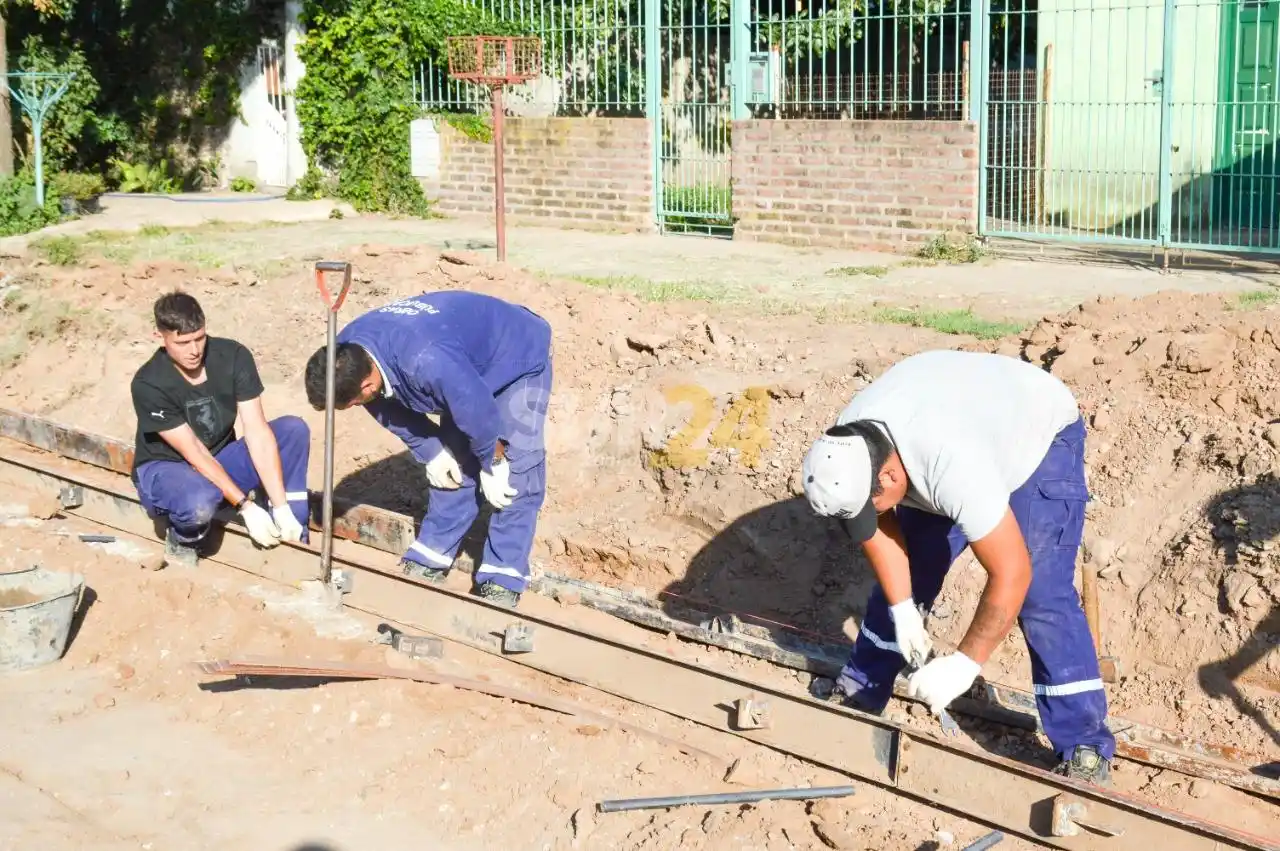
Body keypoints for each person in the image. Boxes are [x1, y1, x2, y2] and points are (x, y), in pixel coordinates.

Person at [800, 349, 1116, 785]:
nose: (867, 520)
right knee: (918, 563)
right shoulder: (849, 446)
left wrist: (966, 662)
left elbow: (1012, 573)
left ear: (891, 477)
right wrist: (904, 611)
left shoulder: (952, 464)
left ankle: (1083, 743)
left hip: (1035, 432)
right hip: (955, 414)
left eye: (867, 508)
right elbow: (878, 533)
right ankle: (862, 687)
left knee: (1041, 592)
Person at [302, 290, 553, 610]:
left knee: (517, 468)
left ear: (366, 385)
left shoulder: (425, 361)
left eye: (352, 403)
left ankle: (502, 576)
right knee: (454, 458)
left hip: (516, 355)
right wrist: (431, 449)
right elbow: (386, 409)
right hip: (462, 363)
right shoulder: (346, 353)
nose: (355, 407)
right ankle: (434, 553)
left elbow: (477, 409)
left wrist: (494, 460)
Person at [129, 291, 311, 568]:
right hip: (168, 470)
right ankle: (183, 540)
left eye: (199, 338)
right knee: (200, 499)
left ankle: (293, 527)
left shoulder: (232, 356)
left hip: (218, 459)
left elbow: (257, 432)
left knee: (292, 431)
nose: (194, 350)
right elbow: (194, 452)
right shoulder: (149, 383)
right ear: (160, 337)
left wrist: (281, 506)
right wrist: (245, 507)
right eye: (183, 342)